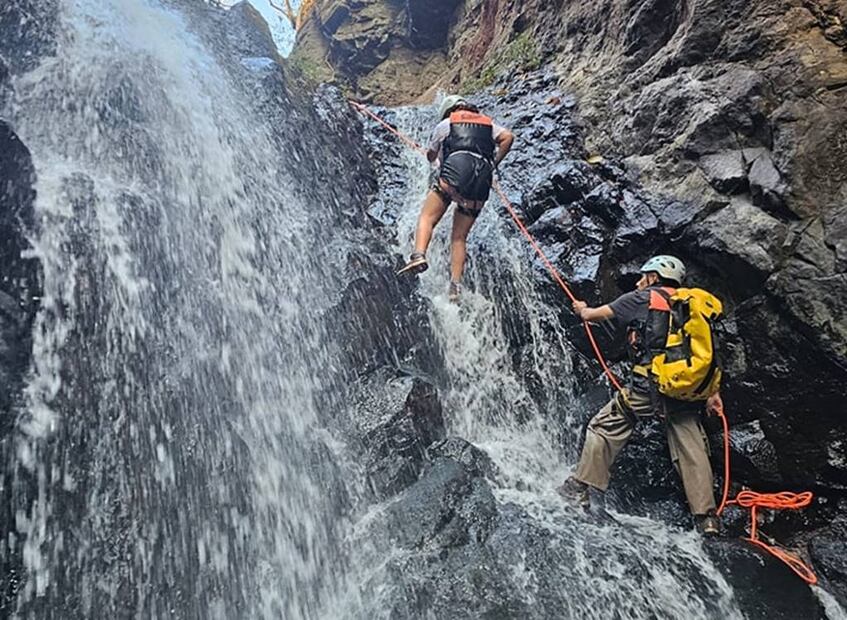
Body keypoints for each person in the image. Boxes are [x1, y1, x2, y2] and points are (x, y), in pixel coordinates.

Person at [556, 255, 722, 535]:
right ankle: (706, 519)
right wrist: (712, 393)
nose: (638, 282)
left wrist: (581, 309)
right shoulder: (691, 305)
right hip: (686, 390)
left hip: (648, 389)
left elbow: (592, 316)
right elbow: (708, 353)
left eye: (644, 276)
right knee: (692, 447)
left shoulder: (640, 298)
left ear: (654, 277)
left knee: (604, 425)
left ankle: (579, 487)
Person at [397, 95, 514, 301]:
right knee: (459, 237)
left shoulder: (446, 124)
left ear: (449, 111)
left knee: (427, 217)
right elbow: (508, 137)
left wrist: (431, 156)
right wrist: (493, 163)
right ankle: (455, 286)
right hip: (481, 179)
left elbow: (432, 155)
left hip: (455, 171)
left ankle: (418, 255)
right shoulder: (487, 124)